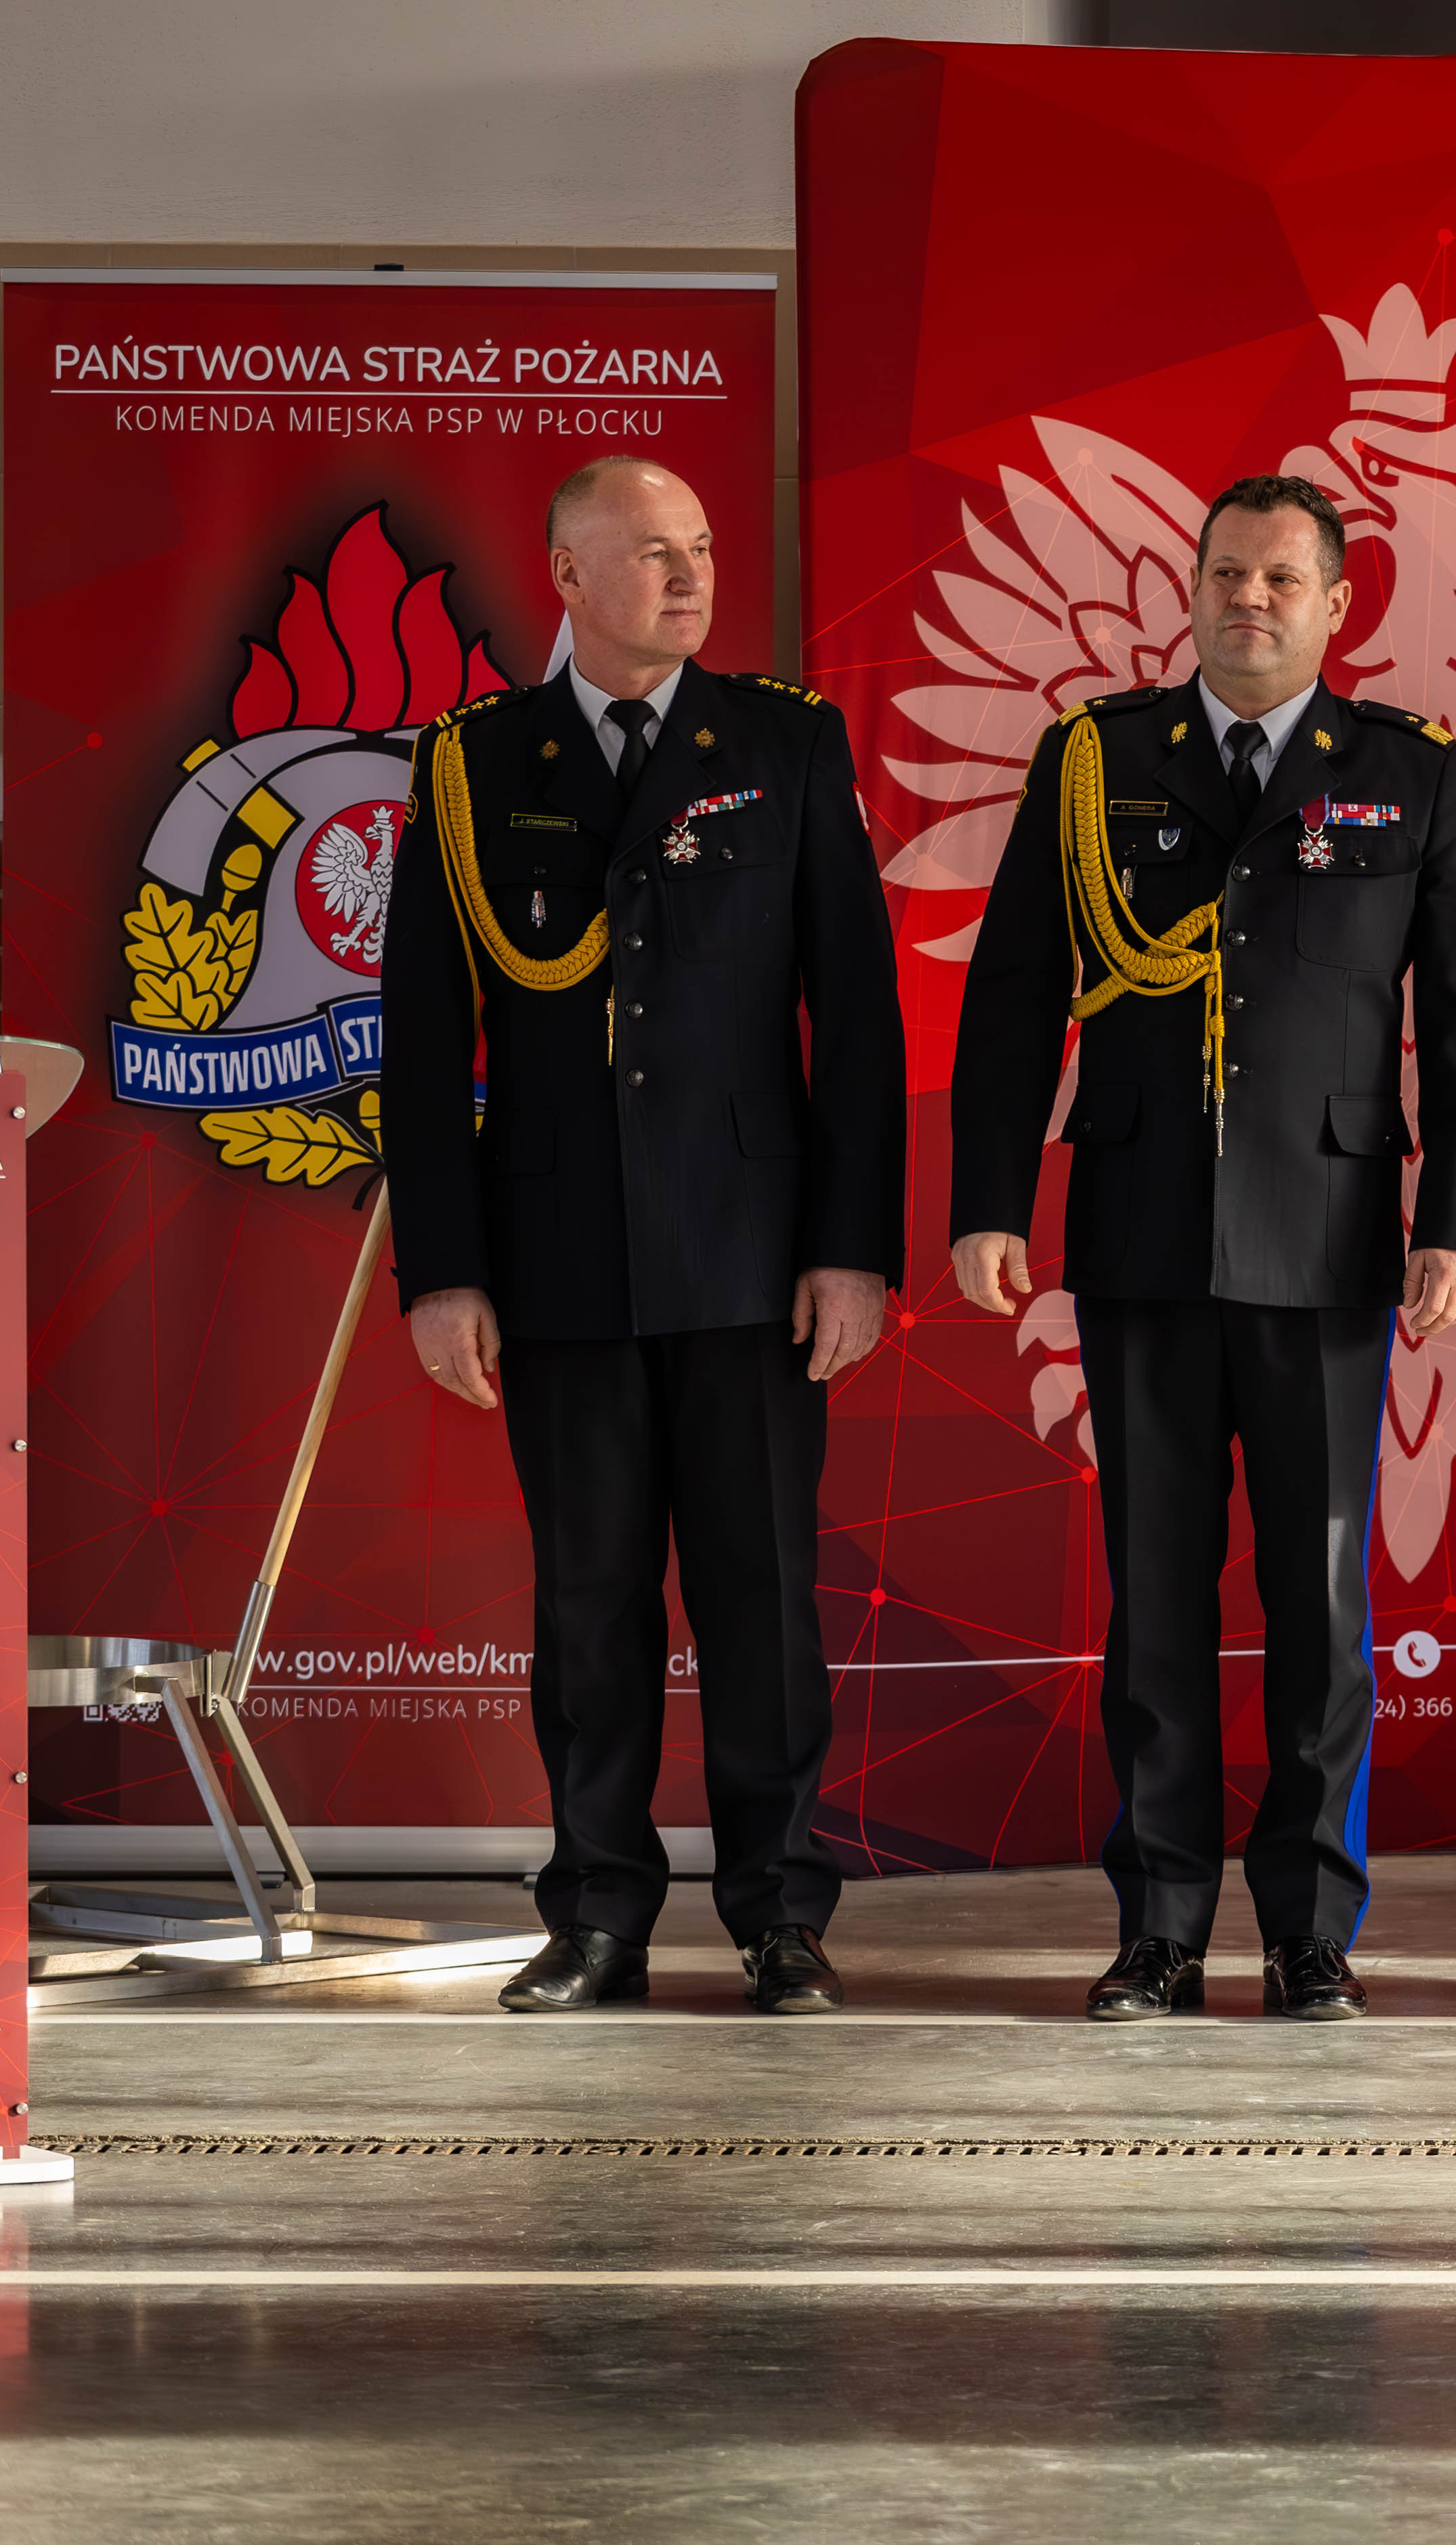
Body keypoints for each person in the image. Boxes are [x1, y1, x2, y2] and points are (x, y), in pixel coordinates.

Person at [945, 473, 1456, 2023]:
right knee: (1156, 1603)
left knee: (1320, 1609)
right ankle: (1161, 1928)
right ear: (1190, 589)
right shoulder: (1093, 760)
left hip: (1328, 1243)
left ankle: (1309, 1931)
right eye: (1224, 573)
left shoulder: (1407, 771)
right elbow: (1013, 992)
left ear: (1337, 604)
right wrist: (988, 1200)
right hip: (1139, 1238)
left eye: (1279, 578)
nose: (1247, 598)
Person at [381, 455, 905, 2016]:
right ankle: (598, 1913)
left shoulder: (784, 741)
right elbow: (424, 1038)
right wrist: (443, 1271)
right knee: (589, 1608)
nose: (689, 576)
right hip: (557, 1254)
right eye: (653, 553)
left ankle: (778, 1913)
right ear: (566, 575)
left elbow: (856, 1019)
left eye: (701, 548)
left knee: (762, 1604)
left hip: (752, 1255)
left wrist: (851, 1247)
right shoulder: (475, 764)